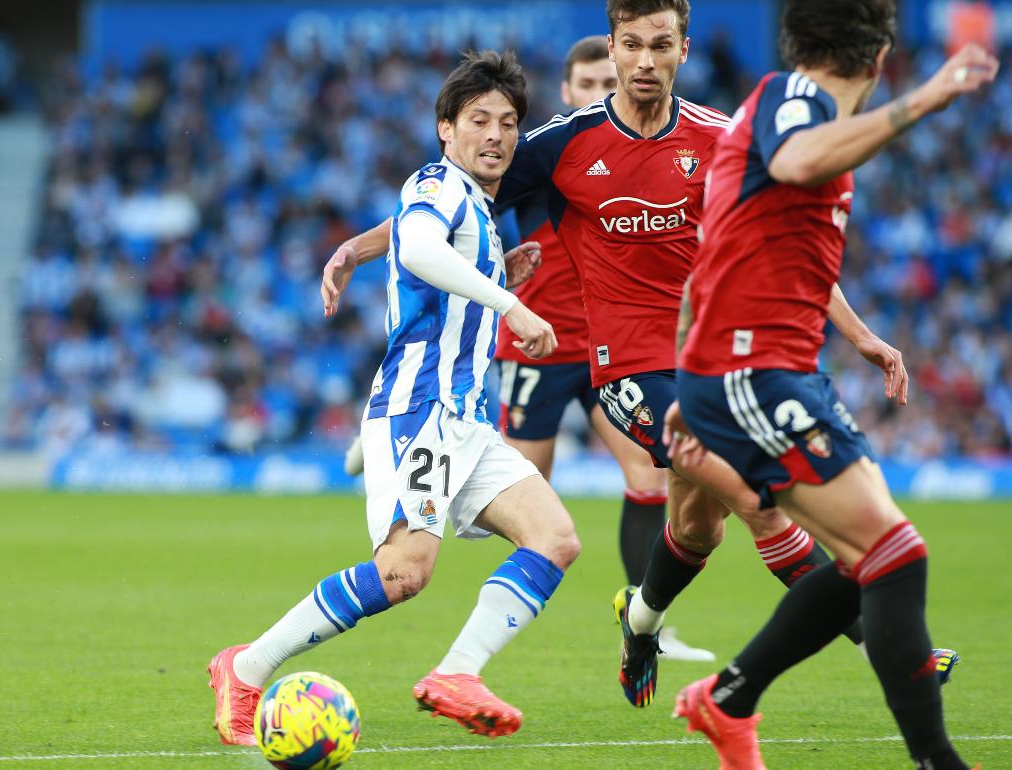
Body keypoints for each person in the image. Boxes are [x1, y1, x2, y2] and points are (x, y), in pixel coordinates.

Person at [324, 0, 895, 710]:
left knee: (697, 525)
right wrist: (358, 246)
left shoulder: (723, 140)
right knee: (756, 500)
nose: (645, 60)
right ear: (615, 49)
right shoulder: (564, 145)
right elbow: (454, 198)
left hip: (710, 362)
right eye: (632, 45)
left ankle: (642, 620)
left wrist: (860, 332)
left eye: (661, 44)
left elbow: (789, 243)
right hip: (623, 366)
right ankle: (889, 647)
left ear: (684, 49)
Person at [209, 50, 582, 745]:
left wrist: (500, 268)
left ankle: (457, 673)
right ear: (446, 128)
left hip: (465, 421)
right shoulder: (440, 183)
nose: (496, 135)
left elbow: (422, 250)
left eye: (507, 123)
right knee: (403, 573)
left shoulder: (475, 206)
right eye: (479, 121)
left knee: (555, 538)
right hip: (422, 410)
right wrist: (511, 304)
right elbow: (415, 247)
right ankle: (247, 665)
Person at [666, 1, 997, 766]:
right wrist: (928, 97)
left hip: (757, 372)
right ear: (879, 56)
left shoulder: (780, 111)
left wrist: (692, 376)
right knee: (896, 554)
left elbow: (714, 253)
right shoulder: (796, 101)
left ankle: (728, 700)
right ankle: (937, 761)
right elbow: (795, 162)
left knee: (863, 565)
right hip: (753, 371)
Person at [334, 34, 712, 662]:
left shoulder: (658, 149)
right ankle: (386, 448)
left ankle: (646, 613)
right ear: (569, 93)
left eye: (604, 83)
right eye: (586, 84)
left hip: (609, 345)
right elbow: (428, 219)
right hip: (536, 343)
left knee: (649, 474)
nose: (599, 92)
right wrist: (359, 247)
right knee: (519, 494)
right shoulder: (548, 153)